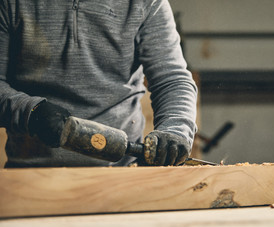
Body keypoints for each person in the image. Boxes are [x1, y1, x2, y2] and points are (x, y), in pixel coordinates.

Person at [0, 0, 198, 167]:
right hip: (31, 174)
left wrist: (175, 129)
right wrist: (31, 112)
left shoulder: (146, 2)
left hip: (123, 174)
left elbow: (172, 80)